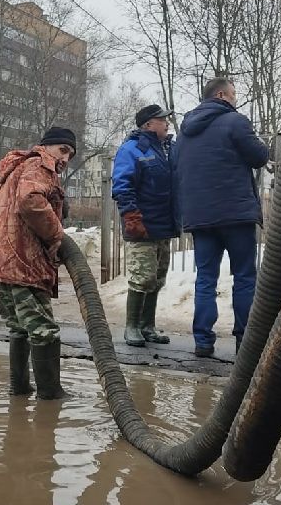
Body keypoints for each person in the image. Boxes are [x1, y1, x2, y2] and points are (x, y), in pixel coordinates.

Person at [174, 77, 269, 358]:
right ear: (222, 95)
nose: (235, 99)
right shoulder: (235, 122)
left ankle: (203, 341)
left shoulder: (185, 132)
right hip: (236, 215)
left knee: (205, 277)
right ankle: (245, 341)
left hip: (201, 218)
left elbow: (176, 167)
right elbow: (260, 156)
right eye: (233, 94)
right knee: (244, 277)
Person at [0, 126, 75, 400]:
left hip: (2, 262)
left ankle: (20, 389)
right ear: (47, 146)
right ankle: (50, 395)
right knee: (42, 329)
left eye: (70, 154)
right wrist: (56, 235)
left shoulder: (15, 169)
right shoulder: (39, 165)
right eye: (63, 150)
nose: (65, 159)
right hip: (25, 261)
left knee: (19, 328)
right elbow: (30, 201)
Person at [113, 104, 178, 347]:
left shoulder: (167, 149)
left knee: (157, 278)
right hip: (142, 225)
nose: (167, 123)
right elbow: (122, 185)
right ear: (149, 124)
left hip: (163, 226)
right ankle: (132, 327)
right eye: (163, 120)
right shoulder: (132, 149)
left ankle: (147, 326)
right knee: (141, 277)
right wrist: (131, 216)